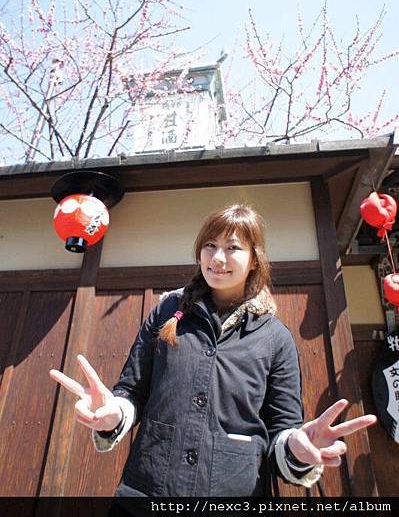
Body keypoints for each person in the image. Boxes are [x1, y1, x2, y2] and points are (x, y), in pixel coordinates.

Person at [49, 204, 376, 502]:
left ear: (254, 260)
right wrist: (114, 414)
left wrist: (295, 448)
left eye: (233, 248)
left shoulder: (276, 338)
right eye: (210, 245)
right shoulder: (166, 313)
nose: (218, 258)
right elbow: (132, 391)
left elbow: (282, 428)